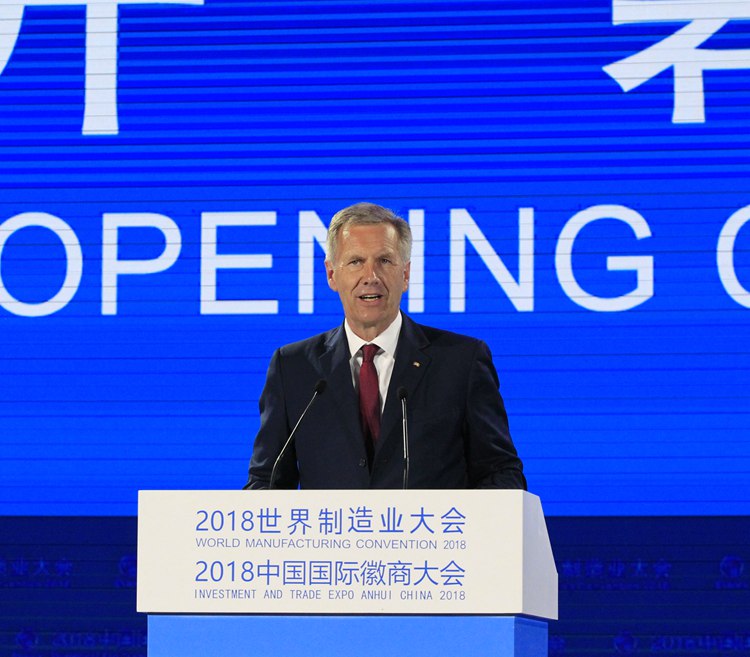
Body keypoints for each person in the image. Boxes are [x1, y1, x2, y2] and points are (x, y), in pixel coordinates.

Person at [244, 202, 525, 490]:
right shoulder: (293, 367)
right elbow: (266, 480)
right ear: (331, 274)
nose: (371, 277)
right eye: (356, 262)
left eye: (385, 261)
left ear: (405, 274)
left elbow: (500, 472)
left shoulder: (461, 361)